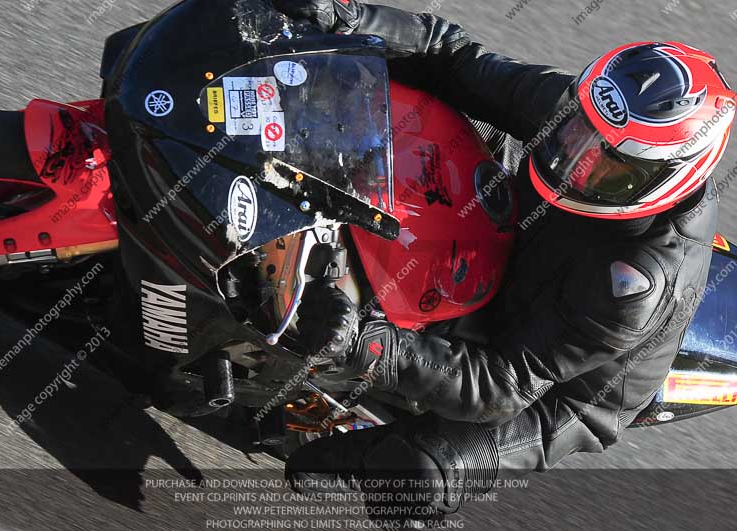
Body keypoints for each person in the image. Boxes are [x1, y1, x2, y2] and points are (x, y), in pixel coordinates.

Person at [274, 0, 737, 521]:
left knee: (413, 471)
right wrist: (351, 18)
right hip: (520, 238)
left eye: (605, 166)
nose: (574, 158)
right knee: (416, 105)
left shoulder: (635, 283)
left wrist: (369, 345)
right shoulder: (590, 121)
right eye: (576, 131)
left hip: (554, 391)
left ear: (666, 179)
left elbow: (504, 386)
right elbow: (454, 58)